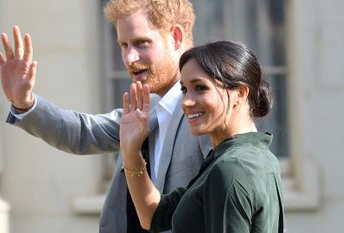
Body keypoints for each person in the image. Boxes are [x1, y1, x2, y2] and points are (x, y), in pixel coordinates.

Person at [0, 0, 210, 233]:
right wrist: (24, 103)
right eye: (123, 45)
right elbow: (82, 132)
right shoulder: (148, 107)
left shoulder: (209, 111)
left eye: (140, 43)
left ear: (175, 37)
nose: (129, 58)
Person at [120, 40, 285, 233]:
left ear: (240, 93)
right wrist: (131, 151)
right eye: (184, 90)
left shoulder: (231, 168)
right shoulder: (253, 158)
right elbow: (153, 215)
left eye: (200, 88)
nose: (187, 102)